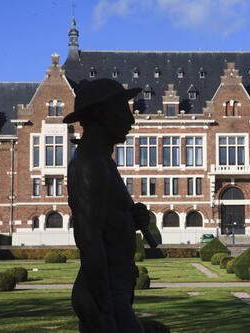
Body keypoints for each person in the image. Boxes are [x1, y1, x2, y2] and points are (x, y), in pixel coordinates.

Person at [65, 79, 148, 333]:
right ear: (101, 114)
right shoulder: (91, 164)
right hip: (104, 292)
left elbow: (106, 222)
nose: (131, 121)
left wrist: (132, 217)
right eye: (124, 111)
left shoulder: (102, 160)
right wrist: (105, 309)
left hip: (114, 287)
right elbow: (89, 241)